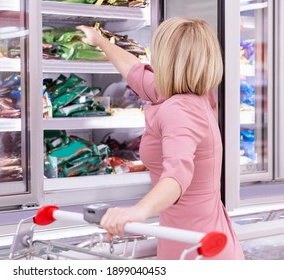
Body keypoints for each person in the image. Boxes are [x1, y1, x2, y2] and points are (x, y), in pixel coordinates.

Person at [77, 18, 245, 260]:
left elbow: (176, 175)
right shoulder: (193, 96)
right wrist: (101, 41)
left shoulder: (180, 110)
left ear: (167, 59)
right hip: (194, 238)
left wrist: (137, 211)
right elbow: (136, 72)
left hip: (198, 249)